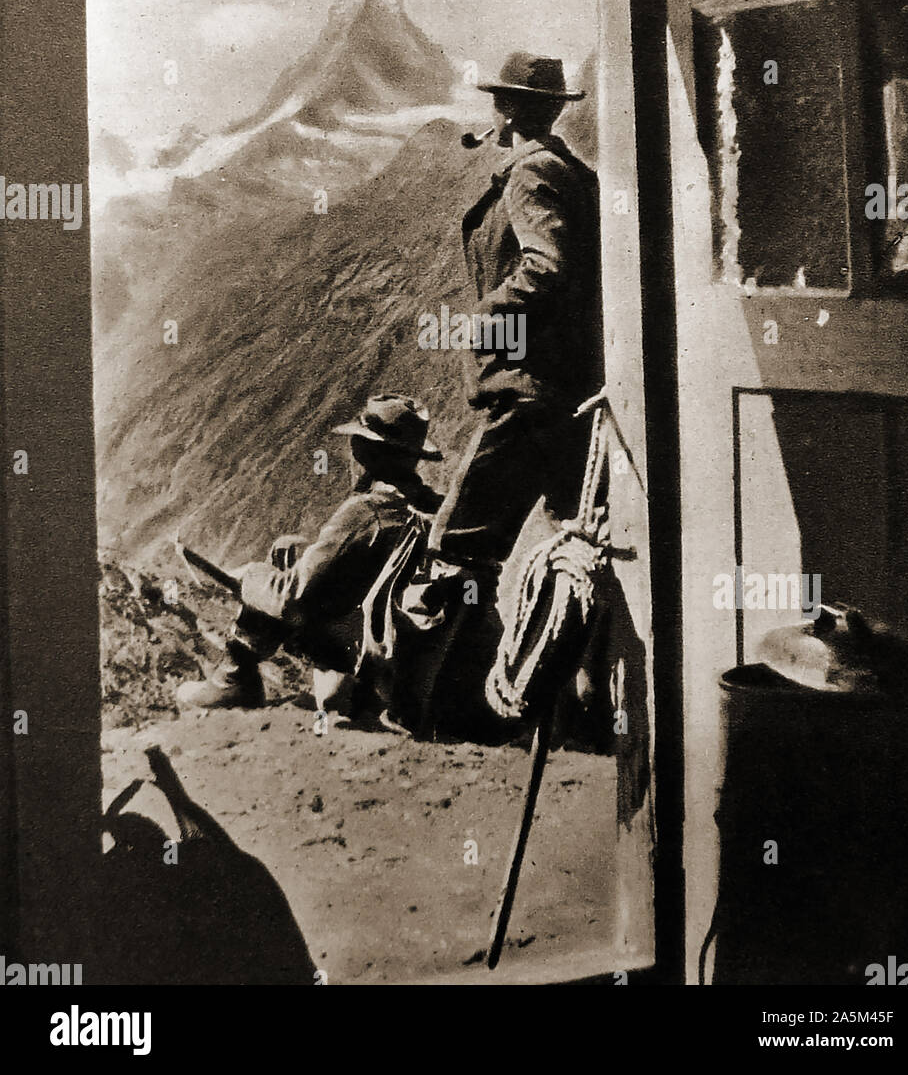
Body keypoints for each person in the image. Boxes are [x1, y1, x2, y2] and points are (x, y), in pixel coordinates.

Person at [404, 51, 604, 624]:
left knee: (456, 547)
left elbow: (548, 265)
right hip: (560, 386)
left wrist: (486, 318)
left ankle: (457, 699)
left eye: (499, 101)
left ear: (510, 109)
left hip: (527, 387)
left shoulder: (531, 171)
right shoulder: (569, 169)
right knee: (568, 531)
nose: (493, 112)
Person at [176, 394, 442, 718]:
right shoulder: (429, 508)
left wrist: (250, 576)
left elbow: (293, 596)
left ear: (365, 448)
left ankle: (234, 679)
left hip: (360, 653)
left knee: (270, 583)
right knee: (289, 548)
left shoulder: (366, 511)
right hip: (398, 641)